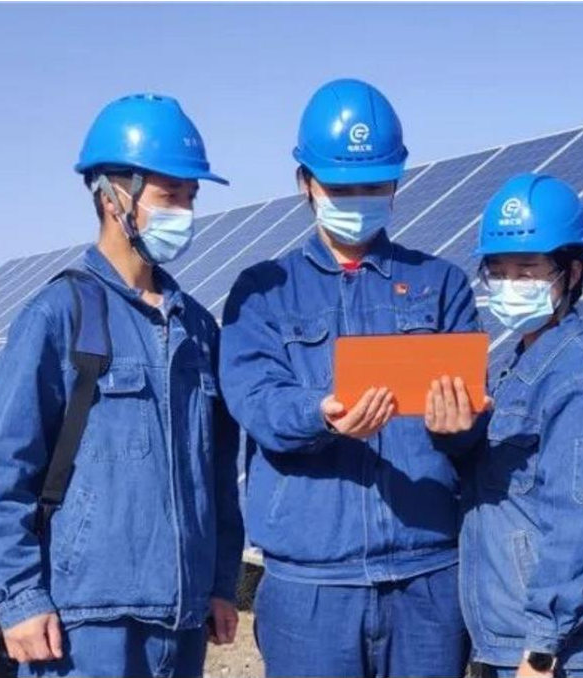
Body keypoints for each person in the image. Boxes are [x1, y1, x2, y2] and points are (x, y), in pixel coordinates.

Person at [0, 93, 244, 678]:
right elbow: (1, 473)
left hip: (181, 623)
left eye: (191, 197)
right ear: (114, 195)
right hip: (83, 625)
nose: (185, 212)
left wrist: (220, 582)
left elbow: (217, 474)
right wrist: (18, 598)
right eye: (170, 195)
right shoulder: (58, 315)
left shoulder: (197, 328)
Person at [219, 79, 483, 678]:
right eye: (341, 187)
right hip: (312, 587)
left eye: (373, 185)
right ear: (305, 183)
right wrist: (321, 414)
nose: (358, 199)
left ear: (396, 183)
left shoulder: (441, 284)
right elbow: (256, 401)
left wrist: (458, 426)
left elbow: (471, 428)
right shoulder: (263, 293)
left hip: (427, 578)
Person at [431, 173, 583, 678]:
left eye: (527, 270)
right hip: (511, 644)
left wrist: (542, 649)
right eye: (498, 272)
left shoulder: (582, 378)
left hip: (559, 656)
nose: (509, 286)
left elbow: (577, 525)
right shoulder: (521, 369)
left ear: (572, 272)